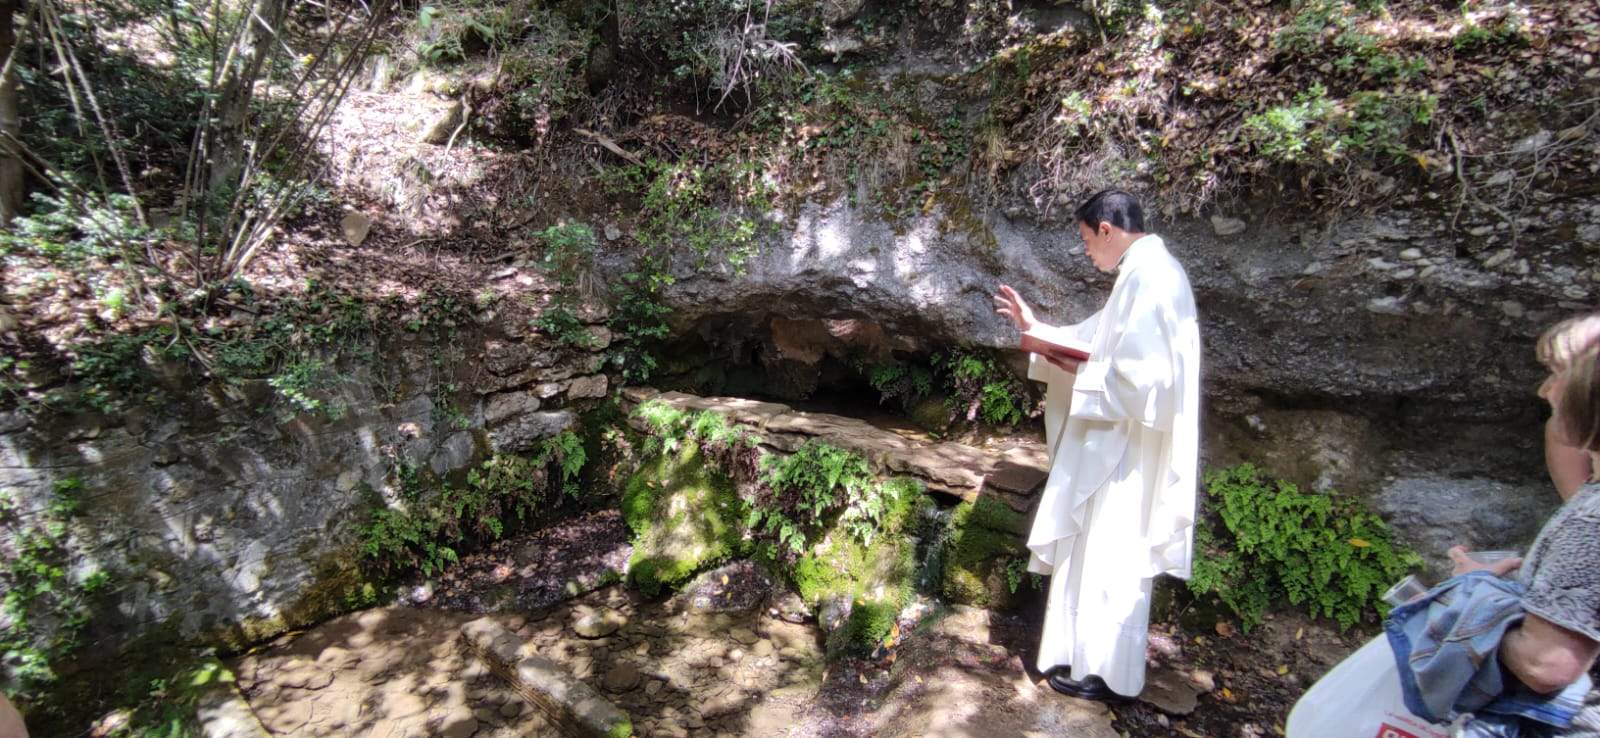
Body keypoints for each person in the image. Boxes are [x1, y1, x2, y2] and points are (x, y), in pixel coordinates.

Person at [992, 189, 1201, 702]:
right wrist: (1037, 332)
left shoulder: (1154, 279)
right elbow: (1101, 341)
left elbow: (1144, 382)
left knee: (1112, 557)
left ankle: (1107, 674)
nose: (1087, 252)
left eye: (1087, 241)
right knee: (1095, 554)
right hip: (1112, 444)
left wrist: (1079, 371)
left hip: (1126, 451)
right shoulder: (1139, 274)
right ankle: (1087, 660)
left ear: (1107, 229)